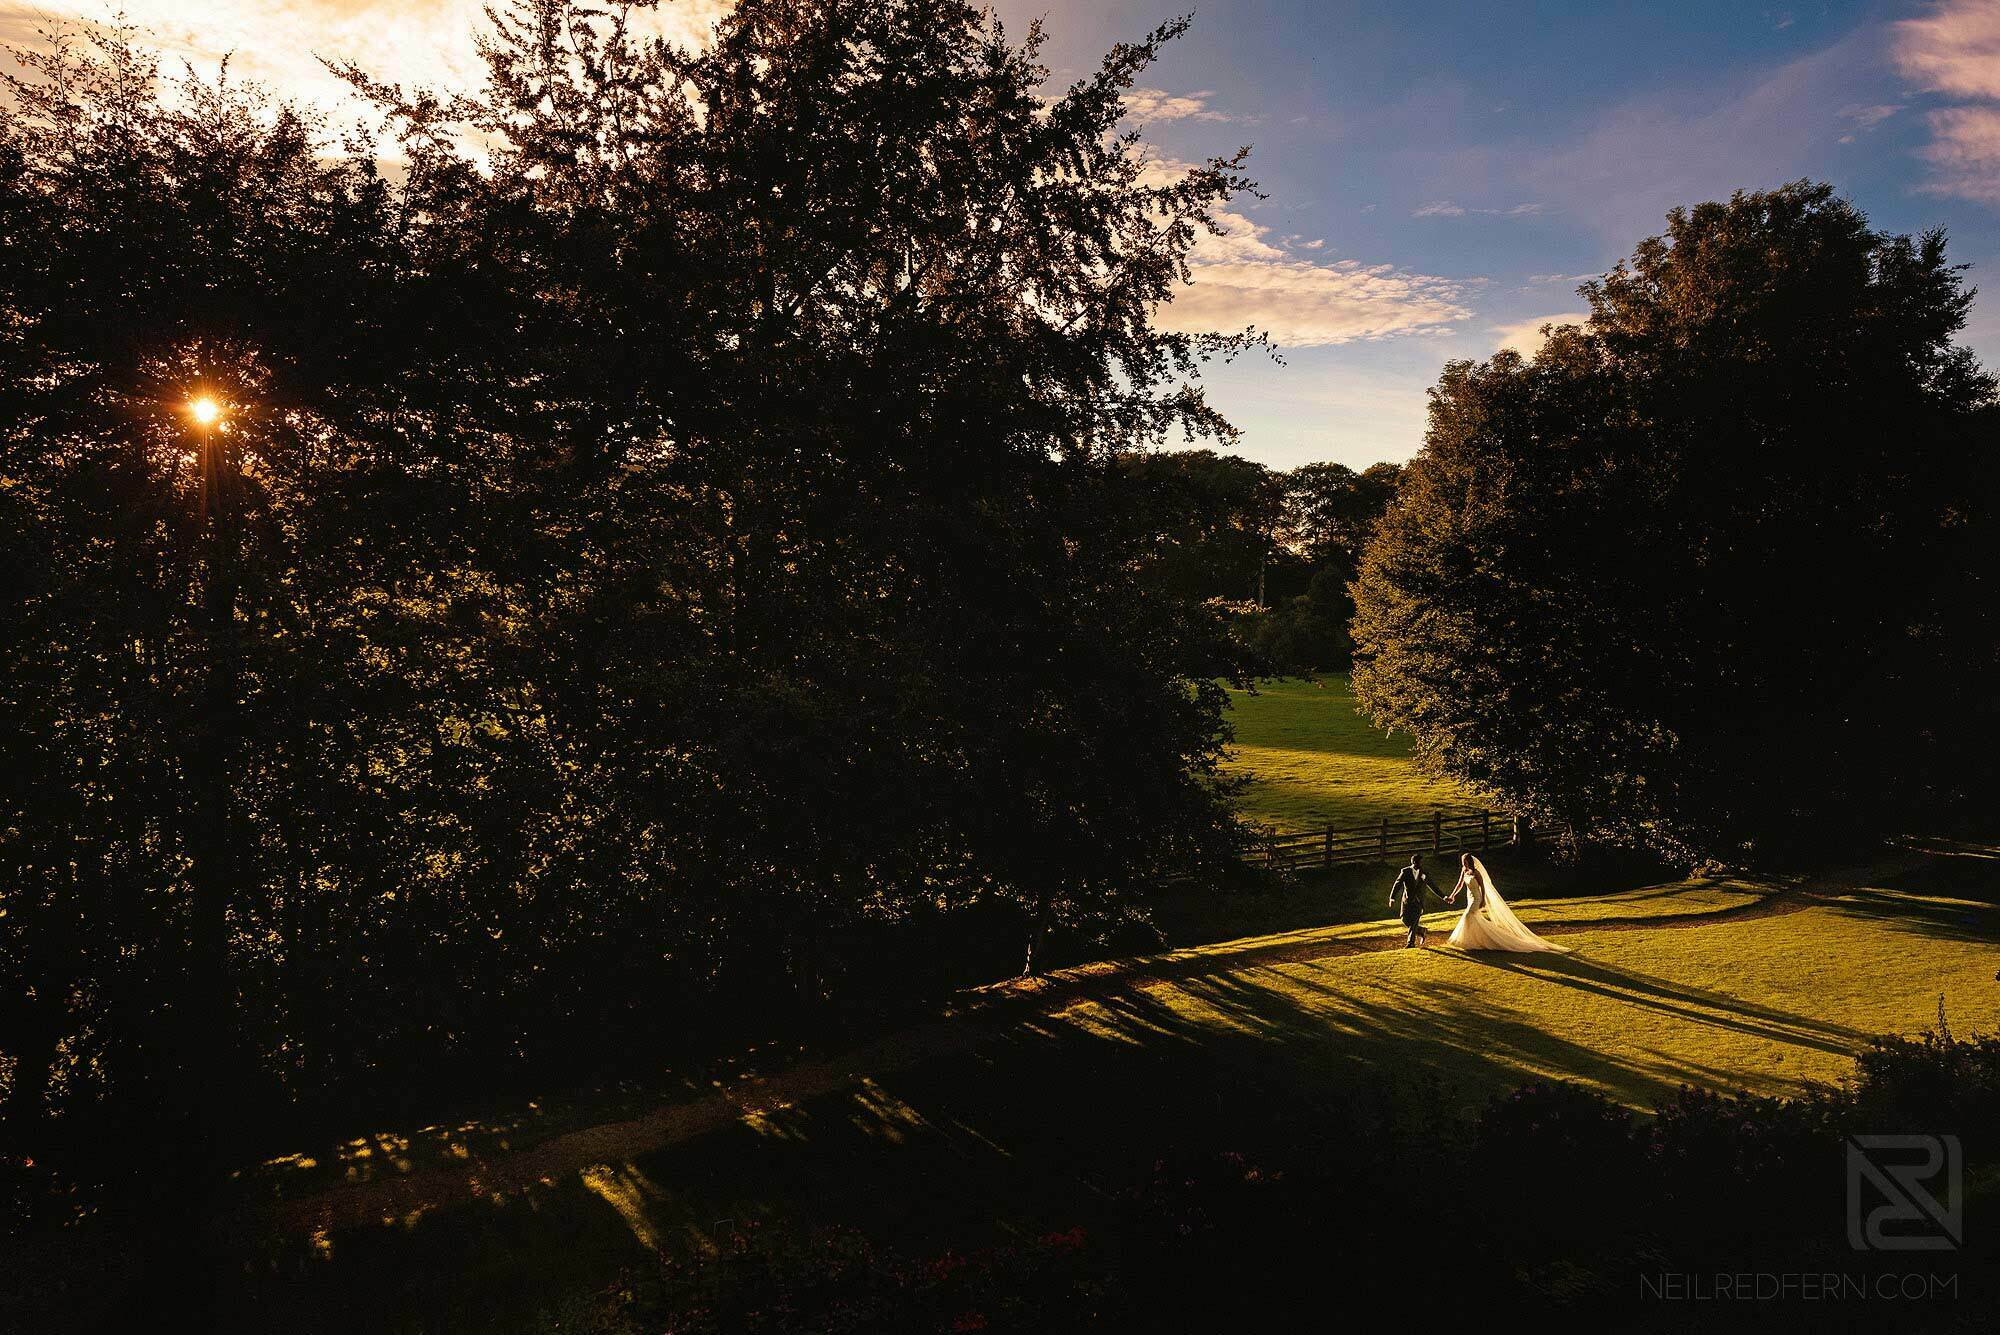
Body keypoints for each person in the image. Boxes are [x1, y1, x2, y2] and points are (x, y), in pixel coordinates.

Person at [1445, 852, 1569, 953]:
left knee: (1468, 916)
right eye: (1463, 862)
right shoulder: (1464, 870)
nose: (1464, 864)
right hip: (1469, 897)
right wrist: (1452, 895)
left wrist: (1483, 900)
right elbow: (1460, 884)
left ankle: (1471, 940)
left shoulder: (1476, 873)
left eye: (1465, 862)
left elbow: (1483, 887)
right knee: (1474, 919)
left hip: (1476, 898)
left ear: (1470, 862)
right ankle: (1474, 940)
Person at [1388, 852, 1451, 949]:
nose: (1419, 865)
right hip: (1407, 901)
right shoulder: (1405, 871)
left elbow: (1432, 886)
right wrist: (1392, 898)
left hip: (1419, 902)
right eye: (1417, 863)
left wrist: (1444, 897)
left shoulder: (1424, 872)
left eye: (1420, 863)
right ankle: (1421, 931)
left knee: (1413, 921)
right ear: (1413, 862)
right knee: (1404, 919)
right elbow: (1398, 884)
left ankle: (1410, 943)